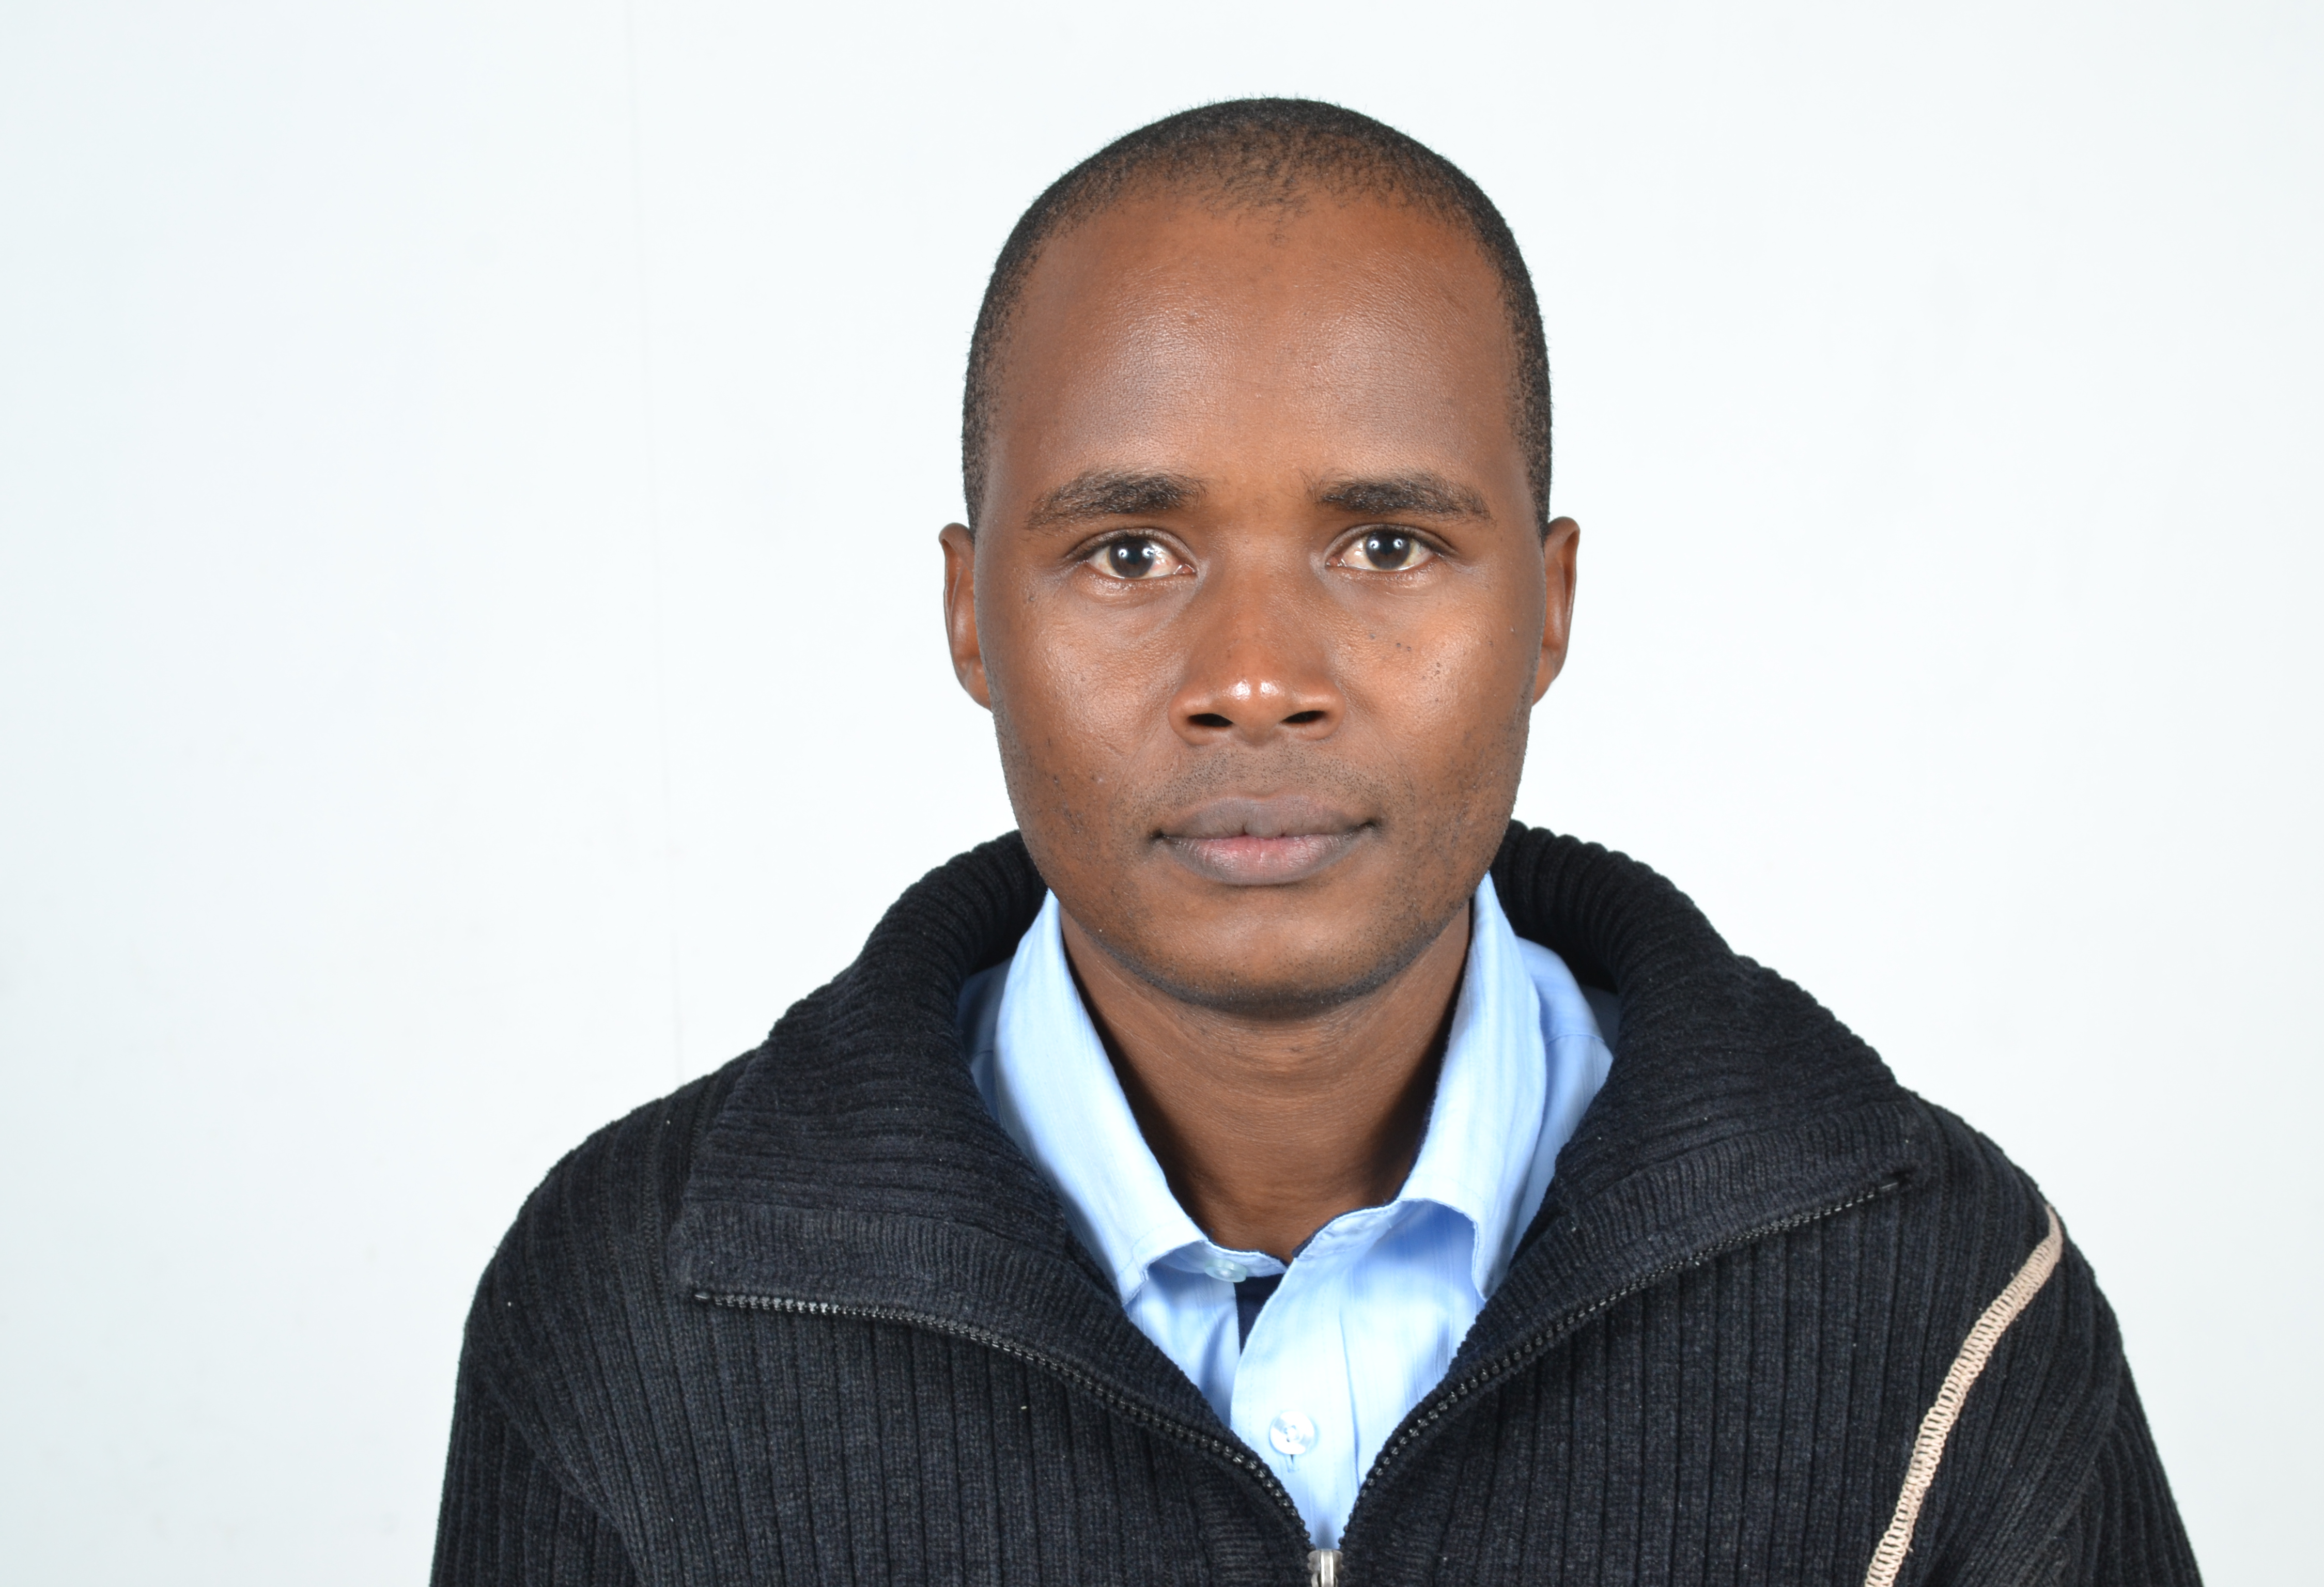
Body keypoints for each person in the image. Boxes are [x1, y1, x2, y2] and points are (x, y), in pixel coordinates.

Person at [431, 99, 2197, 1586]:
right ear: (971, 616)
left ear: (1550, 608)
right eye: (1130, 553)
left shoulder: (1945, 1309)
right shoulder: (632, 1315)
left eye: (1388, 547)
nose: (1257, 680)